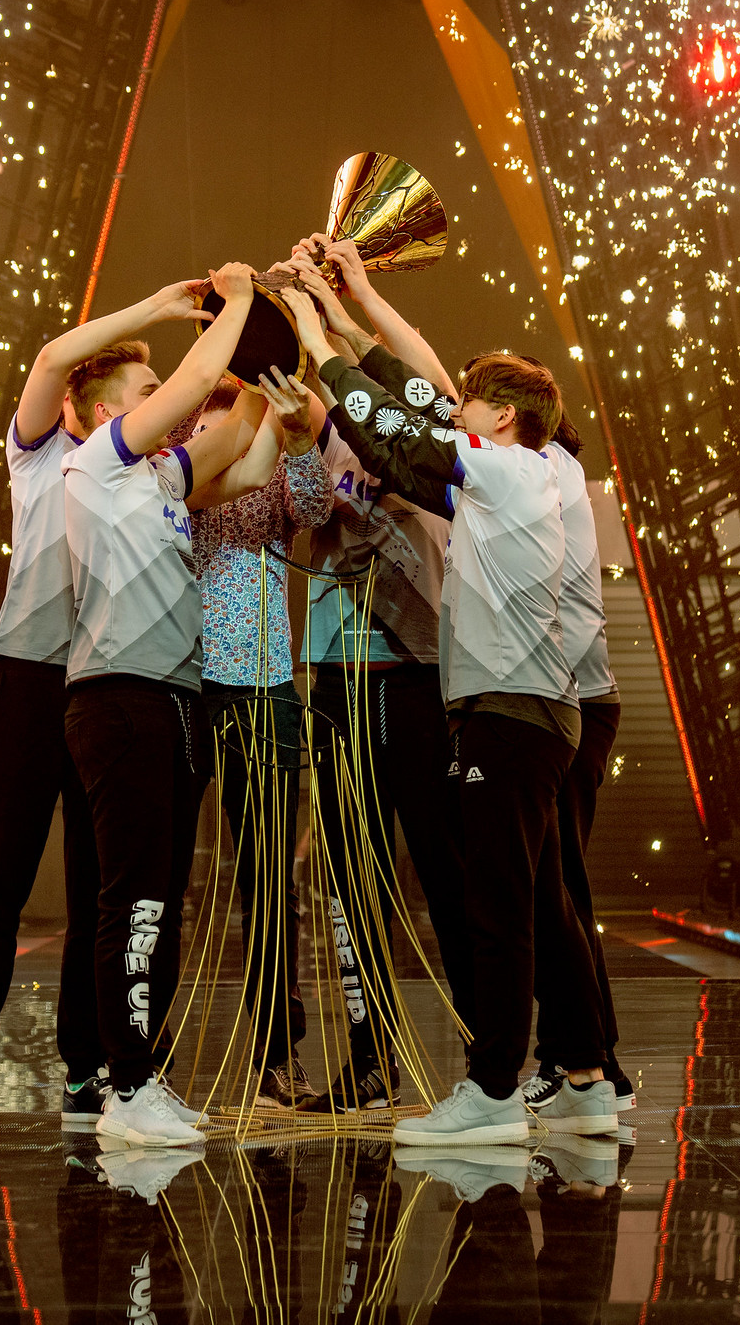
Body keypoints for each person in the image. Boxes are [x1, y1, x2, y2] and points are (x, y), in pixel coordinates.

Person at [278, 283, 616, 1147]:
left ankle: (494, 1090)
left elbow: (388, 427)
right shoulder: (529, 467)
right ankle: (584, 1075)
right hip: (536, 711)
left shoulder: (498, 472)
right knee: (540, 900)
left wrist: (315, 328)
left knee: (497, 906)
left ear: (501, 418)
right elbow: (414, 392)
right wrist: (350, 298)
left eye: (468, 399)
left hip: (508, 714)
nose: (450, 405)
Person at [0, 277, 217, 1139]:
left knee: (106, 887)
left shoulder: (140, 470)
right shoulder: (40, 452)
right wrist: (160, 310)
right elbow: (55, 354)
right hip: (27, 679)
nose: (154, 400)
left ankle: (91, 1072)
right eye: (138, 387)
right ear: (88, 405)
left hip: (104, 684)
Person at [62, 261, 315, 1148]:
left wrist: (281, 358)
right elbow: (200, 382)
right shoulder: (99, 464)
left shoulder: (159, 483)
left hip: (168, 700)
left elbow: (239, 452)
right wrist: (238, 300)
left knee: (155, 900)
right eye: (146, 389)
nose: (166, 394)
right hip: (121, 695)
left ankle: (142, 1080)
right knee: (132, 900)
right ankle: (126, 1083)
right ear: (108, 414)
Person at [275, 242, 473, 1117]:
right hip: (339, 672)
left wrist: (334, 306)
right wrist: (301, 442)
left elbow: (421, 374)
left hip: (418, 675)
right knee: (354, 884)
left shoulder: (433, 452)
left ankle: (492, 1059)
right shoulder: (317, 433)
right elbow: (303, 524)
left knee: (447, 870)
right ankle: (368, 1058)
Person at [174, 382, 331, 1108]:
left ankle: (277, 1056)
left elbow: (318, 506)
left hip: (264, 687)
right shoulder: (176, 456)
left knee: (269, 883)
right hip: (176, 684)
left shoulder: (274, 464)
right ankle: (140, 1063)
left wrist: (297, 431)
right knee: (160, 880)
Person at [520, 417, 634, 1114]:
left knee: (549, 890)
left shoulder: (540, 470)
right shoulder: (556, 468)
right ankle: (590, 1058)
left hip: (566, 702)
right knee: (561, 889)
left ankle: (582, 1059)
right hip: (580, 700)